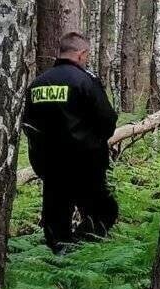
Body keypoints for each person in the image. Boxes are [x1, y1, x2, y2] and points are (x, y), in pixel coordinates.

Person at [23, 32, 118, 252]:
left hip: (49, 164)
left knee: (55, 216)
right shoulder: (85, 81)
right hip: (85, 162)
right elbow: (107, 119)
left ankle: (61, 256)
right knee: (103, 212)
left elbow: (28, 123)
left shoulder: (38, 84)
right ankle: (84, 253)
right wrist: (94, 142)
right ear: (81, 54)